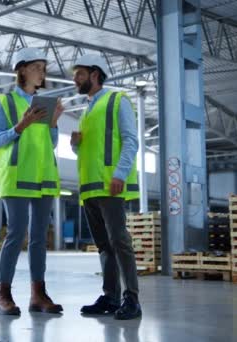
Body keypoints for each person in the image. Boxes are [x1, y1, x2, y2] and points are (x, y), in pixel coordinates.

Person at [0, 47, 64, 316]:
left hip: (43, 177)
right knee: (16, 234)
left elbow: (51, 143)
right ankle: (3, 295)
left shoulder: (43, 105)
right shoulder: (6, 102)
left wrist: (54, 123)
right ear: (21, 69)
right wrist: (20, 126)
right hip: (18, 176)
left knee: (38, 239)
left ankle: (38, 294)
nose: (41, 72)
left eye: (44, 68)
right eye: (37, 67)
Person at [70, 54, 142, 320]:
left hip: (110, 184)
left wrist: (120, 174)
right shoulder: (87, 110)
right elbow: (88, 151)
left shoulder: (117, 100)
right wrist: (75, 144)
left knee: (119, 241)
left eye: (79, 74)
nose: (75, 79)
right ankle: (110, 297)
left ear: (94, 74)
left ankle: (131, 299)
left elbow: (131, 140)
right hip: (89, 188)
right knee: (103, 245)